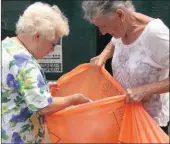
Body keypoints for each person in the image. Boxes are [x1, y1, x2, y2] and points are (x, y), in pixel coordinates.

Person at [2, 2, 91, 143]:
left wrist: (41, 89)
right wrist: (73, 100)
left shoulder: (7, 46)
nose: (52, 50)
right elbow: (44, 106)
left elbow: (13, 89)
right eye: (53, 44)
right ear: (37, 36)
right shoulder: (24, 62)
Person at [82, 0, 169, 134]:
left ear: (120, 14)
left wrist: (144, 90)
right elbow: (114, 43)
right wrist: (103, 56)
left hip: (150, 124)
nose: (103, 32)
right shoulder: (122, 28)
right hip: (125, 118)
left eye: (104, 26)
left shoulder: (156, 34)